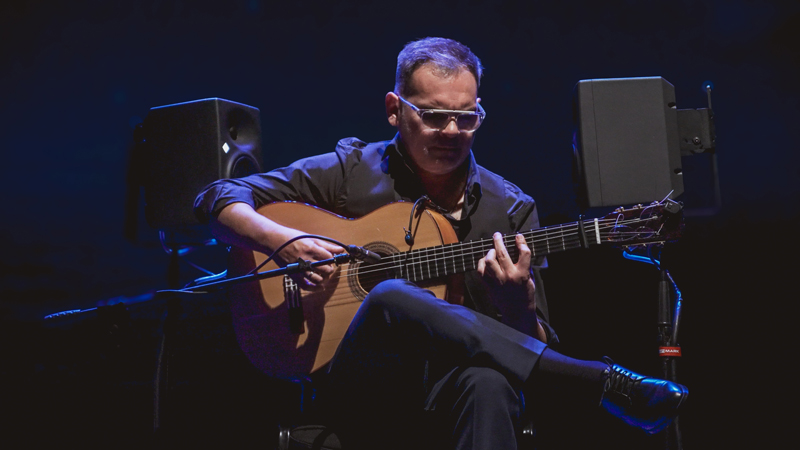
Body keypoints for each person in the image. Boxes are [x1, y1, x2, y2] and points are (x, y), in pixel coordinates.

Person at [194, 37, 688, 450]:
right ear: (395, 110)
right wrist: (284, 240)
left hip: (447, 391)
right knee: (390, 293)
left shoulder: (511, 208)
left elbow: (530, 343)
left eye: (466, 118)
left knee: (490, 383)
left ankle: (593, 382)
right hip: (356, 382)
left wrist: (517, 306)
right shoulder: (349, 171)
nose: (451, 132)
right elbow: (215, 197)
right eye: (433, 116)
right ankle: (597, 381)